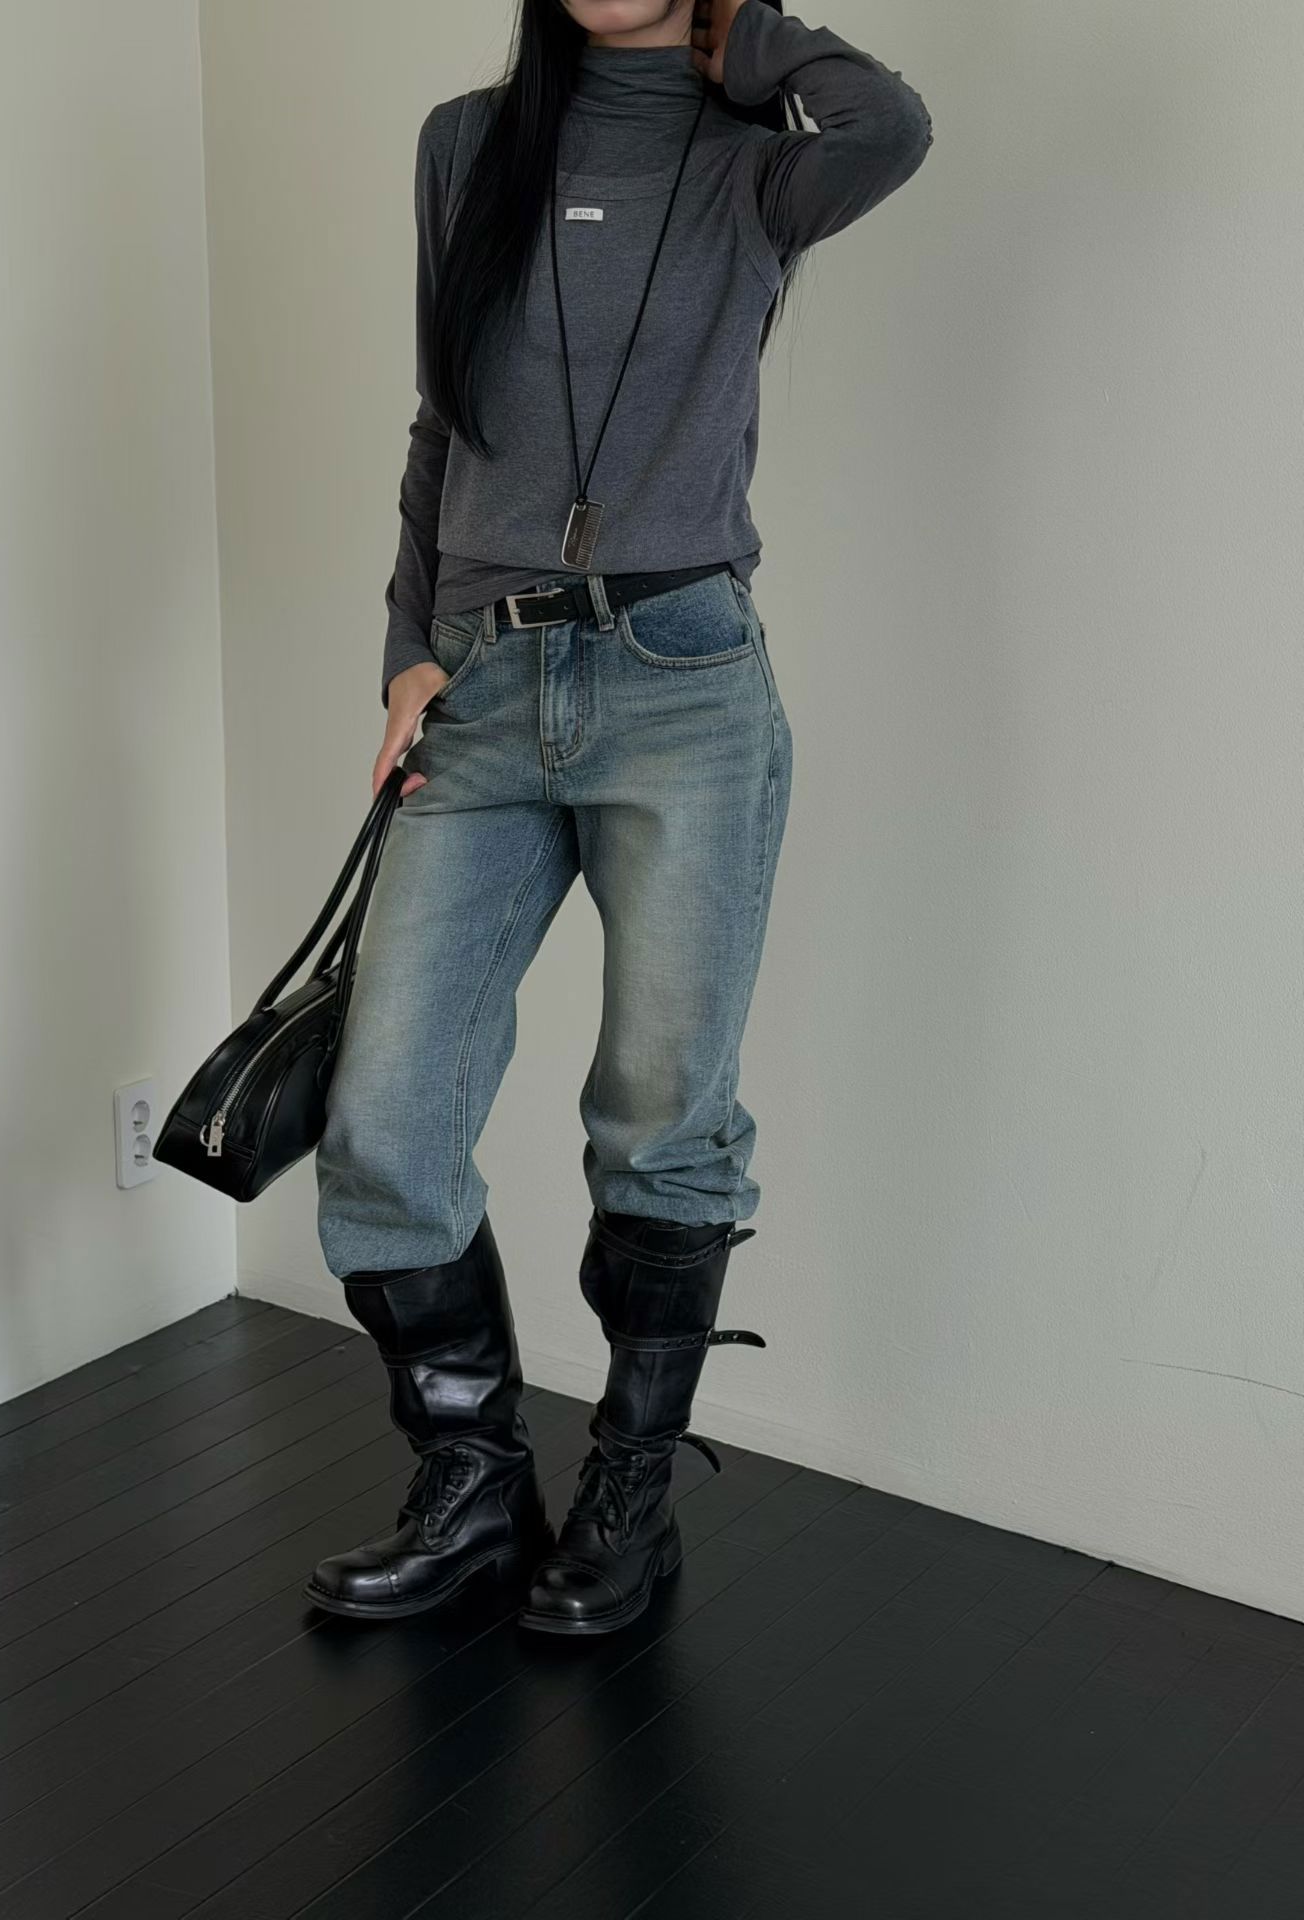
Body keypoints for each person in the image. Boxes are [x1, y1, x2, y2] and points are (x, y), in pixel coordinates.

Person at [306, 0, 931, 1635]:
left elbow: (893, 124)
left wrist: (741, 37)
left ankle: (630, 1498)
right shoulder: (466, 144)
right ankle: (470, 1486)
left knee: (661, 1114)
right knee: (384, 1115)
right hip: (484, 685)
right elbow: (442, 419)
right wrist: (408, 650)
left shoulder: (759, 161)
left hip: (683, 681)